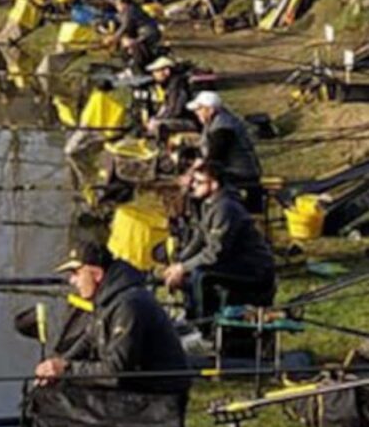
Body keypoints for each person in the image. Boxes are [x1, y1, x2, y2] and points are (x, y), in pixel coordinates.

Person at [35, 241, 190, 395]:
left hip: (159, 397)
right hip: (137, 389)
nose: (72, 281)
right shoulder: (108, 298)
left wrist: (66, 369)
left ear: (96, 274)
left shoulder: (128, 305)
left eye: (76, 273)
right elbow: (90, 339)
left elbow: (116, 372)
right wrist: (56, 364)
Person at [163, 160, 275, 325]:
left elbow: (216, 253)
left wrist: (183, 268)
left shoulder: (226, 208)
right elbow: (199, 240)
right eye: (193, 180)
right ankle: (189, 315)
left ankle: (201, 327)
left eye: (199, 182)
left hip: (255, 269)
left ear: (214, 184)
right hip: (232, 263)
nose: (193, 185)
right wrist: (178, 262)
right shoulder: (209, 204)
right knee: (192, 271)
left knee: (201, 276)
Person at [185, 91, 262, 210]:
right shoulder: (213, 122)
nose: (196, 113)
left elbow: (216, 155)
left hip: (241, 172)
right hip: (229, 170)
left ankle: (208, 217)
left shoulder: (224, 127)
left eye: (199, 109)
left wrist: (196, 171)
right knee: (195, 180)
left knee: (200, 185)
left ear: (210, 110)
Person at [145, 56, 195, 140]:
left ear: (167, 71)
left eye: (157, 71)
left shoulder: (177, 86)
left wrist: (158, 120)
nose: (154, 74)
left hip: (188, 121)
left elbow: (175, 110)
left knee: (159, 125)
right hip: (180, 120)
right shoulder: (170, 86)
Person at [109, 0, 161, 72]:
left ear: (124, 4)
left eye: (118, 5)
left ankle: (138, 67)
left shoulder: (130, 10)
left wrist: (115, 37)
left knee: (131, 44)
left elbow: (125, 25)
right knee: (128, 44)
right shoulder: (130, 10)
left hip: (147, 33)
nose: (117, 7)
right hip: (146, 33)